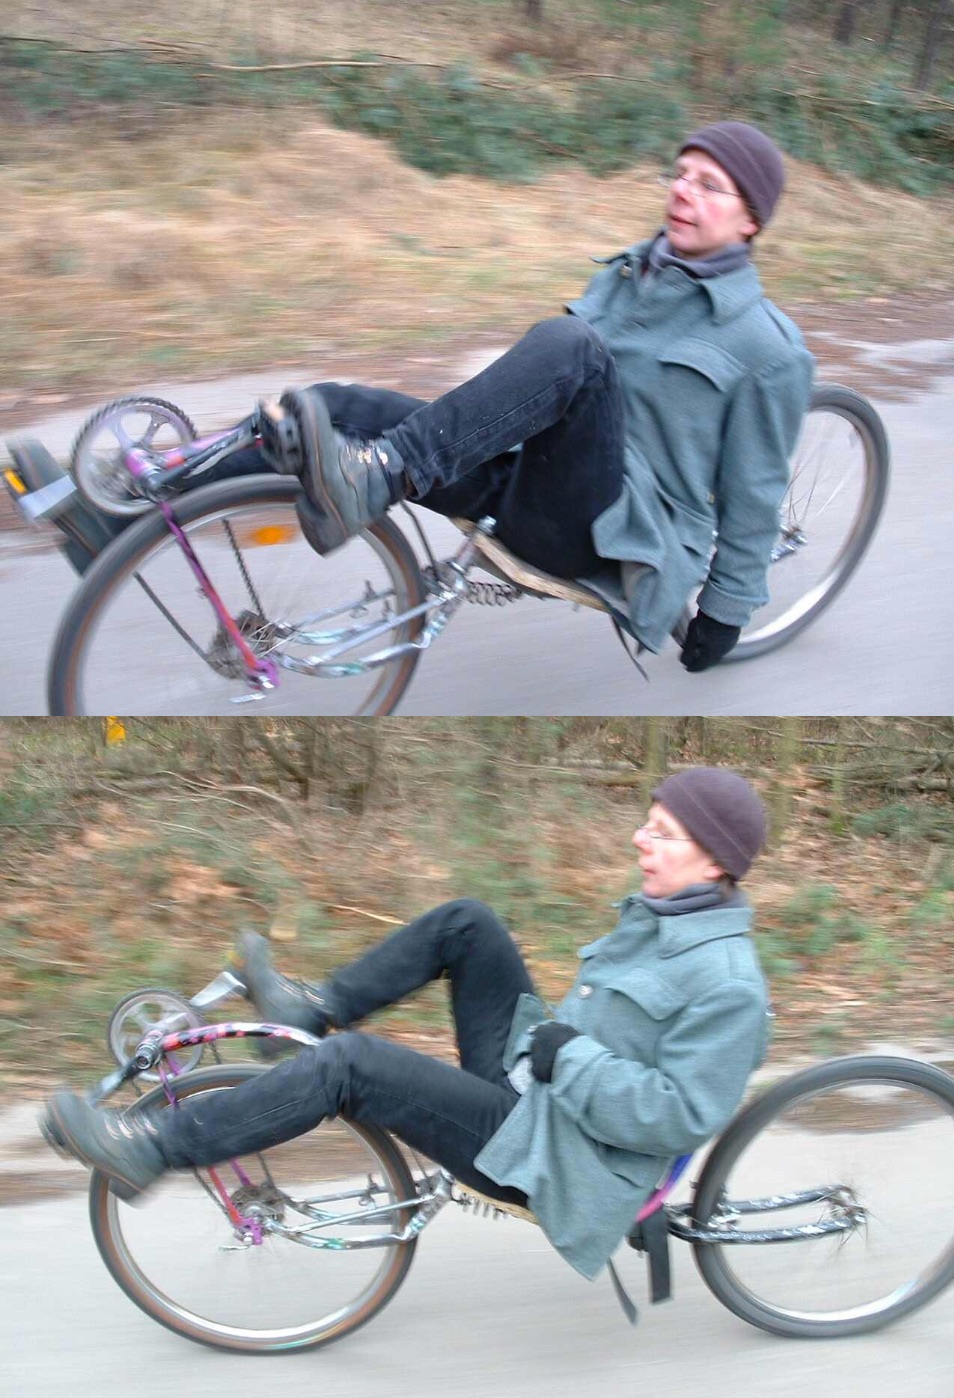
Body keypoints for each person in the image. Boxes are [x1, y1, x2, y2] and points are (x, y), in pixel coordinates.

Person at [43, 766, 772, 1283]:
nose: (641, 840)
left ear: (714, 863)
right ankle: (308, 1008)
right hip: (537, 1087)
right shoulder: (663, 917)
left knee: (352, 1066)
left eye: (664, 833)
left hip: (553, 1156)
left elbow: (681, 1116)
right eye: (648, 823)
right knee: (468, 923)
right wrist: (560, 1055)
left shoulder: (729, 986)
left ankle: (153, 1149)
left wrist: (572, 1059)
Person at [216, 119, 814, 671]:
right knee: (328, 410)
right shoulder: (629, 271)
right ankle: (170, 494)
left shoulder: (769, 348)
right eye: (680, 174)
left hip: (606, 533)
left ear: (750, 220)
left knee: (573, 347)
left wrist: (726, 610)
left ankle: (382, 473)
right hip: (522, 476)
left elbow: (755, 493)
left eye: (709, 185)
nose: (682, 191)